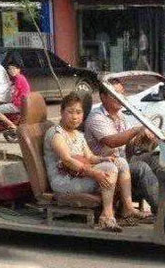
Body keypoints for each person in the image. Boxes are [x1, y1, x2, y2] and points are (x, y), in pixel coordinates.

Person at [44, 93, 149, 232]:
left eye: (78, 112)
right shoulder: (56, 134)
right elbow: (67, 160)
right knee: (109, 169)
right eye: (70, 112)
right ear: (61, 112)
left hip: (79, 175)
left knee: (121, 162)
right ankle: (107, 216)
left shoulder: (78, 135)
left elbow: (90, 157)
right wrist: (94, 173)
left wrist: (104, 159)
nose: (75, 117)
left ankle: (128, 208)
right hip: (64, 181)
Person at [84, 81, 159, 215]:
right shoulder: (96, 117)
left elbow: (129, 144)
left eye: (122, 93)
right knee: (141, 168)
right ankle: (162, 211)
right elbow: (112, 142)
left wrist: (145, 138)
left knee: (156, 159)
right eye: (115, 94)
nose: (120, 97)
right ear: (103, 97)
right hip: (106, 165)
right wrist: (136, 130)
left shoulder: (121, 116)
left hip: (123, 161)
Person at [0, 62, 30, 130]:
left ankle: (11, 125)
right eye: (9, 69)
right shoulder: (20, 78)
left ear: (18, 70)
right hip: (22, 104)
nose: (11, 70)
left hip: (18, 105)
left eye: (13, 68)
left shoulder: (19, 78)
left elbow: (15, 93)